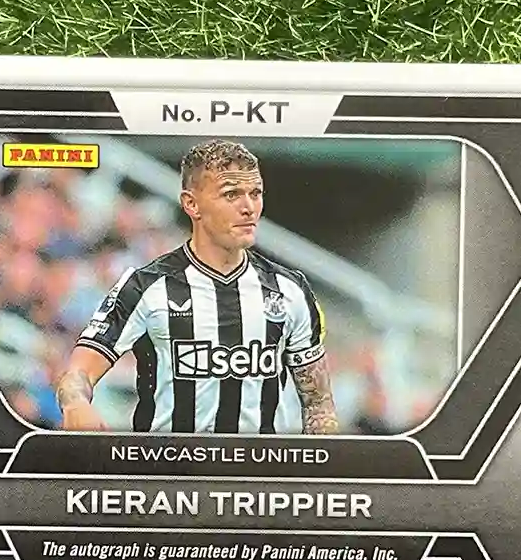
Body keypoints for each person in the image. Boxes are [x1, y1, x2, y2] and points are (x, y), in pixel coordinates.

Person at [55, 140, 338, 435]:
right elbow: (78, 372)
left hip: (260, 464)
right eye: (231, 194)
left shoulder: (290, 289)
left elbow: (318, 402)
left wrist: (324, 455)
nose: (248, 208)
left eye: (255, 194)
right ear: (191, 204)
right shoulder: (145, 286)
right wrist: (76, 403)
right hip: (170, 463)